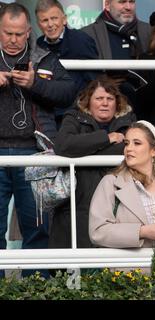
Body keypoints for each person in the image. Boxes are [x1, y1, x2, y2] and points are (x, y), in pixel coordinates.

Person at [0, 3, 76, 277]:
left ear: (29, 31)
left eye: (19, 34)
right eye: (7, 33)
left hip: (33, 153)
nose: (13, 39)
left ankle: (36, 291)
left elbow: (69, 92)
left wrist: (35, 83)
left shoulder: (43, 57)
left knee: (37, 229)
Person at [52, 76, 136, 248]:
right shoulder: (74, 117)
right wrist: (106, 138)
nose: (104, 103)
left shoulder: (129, 121)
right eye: (99, 98)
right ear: (88, 102)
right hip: (79, 200)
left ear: (117, 103)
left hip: (118, 199)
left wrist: (82, 149)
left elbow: (132, 150)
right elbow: (63, 146)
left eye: (109, 99)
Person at [35, 0, 98, 128]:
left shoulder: (81, 40)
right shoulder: (38, 44)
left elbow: (93, 79)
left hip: (77, 113)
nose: (50, 24)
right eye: (45, 20)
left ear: (64, 19)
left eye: (54, 18)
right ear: (38, 24)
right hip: (48, 114)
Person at [82, 0, 151, 108]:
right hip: (105, 110)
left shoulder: (149, 31)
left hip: (144, 107)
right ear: (107, 5)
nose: (128, 7)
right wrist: (106, 81)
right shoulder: (87, 34)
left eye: (131, 2)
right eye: (122, 2)